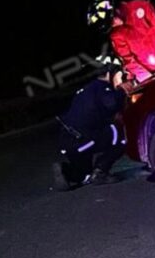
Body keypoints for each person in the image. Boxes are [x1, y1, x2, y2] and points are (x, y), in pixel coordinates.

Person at [51, 55, 129, 190]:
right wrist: (123, 90)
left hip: (69, 141)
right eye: (119, 74)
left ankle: (66, 171)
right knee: (122, 136)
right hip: (83, 140)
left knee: (83, 175)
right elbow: (111, 104)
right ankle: (100, 172)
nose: (121, 78)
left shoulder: (87, 89)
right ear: (110, 73)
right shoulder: (103, 88)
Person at [109, 0, 155, 84]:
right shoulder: (116, 34)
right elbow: (129, 60)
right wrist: (147, 79)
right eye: (111, 25)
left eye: (112, 21)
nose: (114, 25)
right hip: (149, 74)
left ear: (116, 11)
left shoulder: (141, 6)